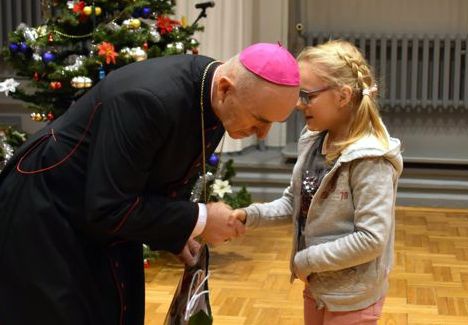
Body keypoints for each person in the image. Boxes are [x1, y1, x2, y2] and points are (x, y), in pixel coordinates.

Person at [0, 43, 300, 325]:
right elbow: (110, 207)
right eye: (260, 121)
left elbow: (157, 178)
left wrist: (179, 233)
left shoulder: (215, 96)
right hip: (47, 213)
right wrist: (201, 218)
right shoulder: (148, 99)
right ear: (224, 89)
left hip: (101, 214)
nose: (262, 135)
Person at [233, 39, 403, 324]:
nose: (299, 104)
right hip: (317, 285)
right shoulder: (312, 141)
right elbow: (294, 202)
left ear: (343, 95)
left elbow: (372, 239)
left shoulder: (370, 159)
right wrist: (249, 216)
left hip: (353, 295)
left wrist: (308, 260)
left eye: (307, 95)